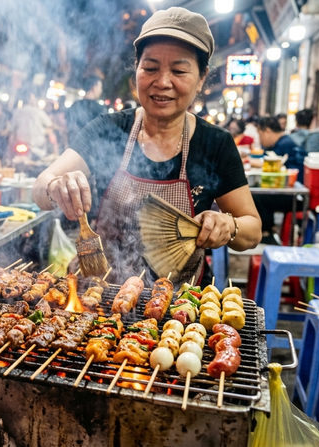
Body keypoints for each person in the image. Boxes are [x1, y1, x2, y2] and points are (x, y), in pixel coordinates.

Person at [33, 7, 260, 284]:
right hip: (100, 291)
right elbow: (40, 189)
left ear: (201, 78)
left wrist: (230, 225)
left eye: (178, 70)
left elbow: (253, 230)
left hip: (178, 306)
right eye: (150, 68)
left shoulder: (215, 144)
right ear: (137, 70)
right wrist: (55, 187)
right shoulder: (108, 128)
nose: (162, 82)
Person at [254, 115, 307, 244]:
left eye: (260, 135)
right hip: (290, 192)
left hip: (297, 196)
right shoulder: (280, 143)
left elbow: (269, 163)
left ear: (267, 130)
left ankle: (266, 234)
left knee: (257, 196)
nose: (260, 140)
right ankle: (267, 231)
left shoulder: (285, 144)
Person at [9, 91, 55, 160]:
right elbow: (50, 126)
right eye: (33, 99)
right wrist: (44, 132)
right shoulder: (38, 112)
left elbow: (12, 131)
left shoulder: (17, 112)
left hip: (21, 146)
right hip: (38, 147)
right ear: (30, 100)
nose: (35, 100)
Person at [66, 74, 106, 146]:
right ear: (94, 87)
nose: (101, 90)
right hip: (91, 148)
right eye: (100, 87)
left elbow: (67, 126)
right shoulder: (99, 108)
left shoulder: (75, 105)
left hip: (73, 147)